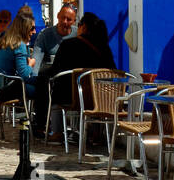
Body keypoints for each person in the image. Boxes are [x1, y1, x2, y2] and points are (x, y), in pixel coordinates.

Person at [33, 12, 116, 140]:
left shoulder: (68, 45)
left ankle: (56, 131)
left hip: (71, 97)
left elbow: (55, 71)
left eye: (79, 24)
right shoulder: (105, 48)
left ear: (84, 27)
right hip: (98, 98)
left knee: (49, 85)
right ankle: (94, 133)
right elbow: (113, 70)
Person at [0, 5, 38, 109]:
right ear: (24, 28)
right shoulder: (19, 44)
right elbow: (25, 75)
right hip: (5, 90)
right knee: (44, 87)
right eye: (32, 28)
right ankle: (39, 122)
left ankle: (32, 119)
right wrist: (30, 64)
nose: (34, 32)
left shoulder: (6, 39)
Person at [34, 4, 77, 69]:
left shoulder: (78, 34)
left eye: (69, 19)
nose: (65, 21)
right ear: (58, 15)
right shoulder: (44, 35)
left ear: (74, 21)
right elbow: (36, 60)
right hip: (51, 77)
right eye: (63, 17)